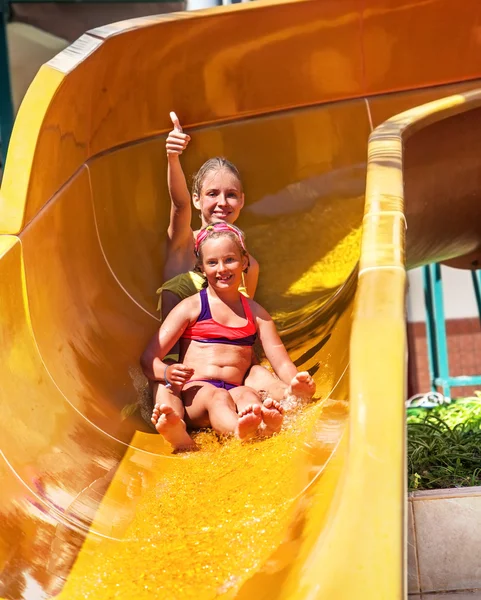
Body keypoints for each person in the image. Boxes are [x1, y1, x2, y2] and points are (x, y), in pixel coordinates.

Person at [143, 112, 287, 422]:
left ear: (242, 201)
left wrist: (261, 376)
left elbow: (244, 327)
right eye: (212, 194)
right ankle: (175, 425)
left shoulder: (247, 265)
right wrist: (173, 157)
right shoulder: (184, 243)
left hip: (230, 375)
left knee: (261, 377)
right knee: (163, 393)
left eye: (231, 195)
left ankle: (283, 406)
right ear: (197, 199)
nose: (222, 202)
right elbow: (179, 205)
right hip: (179, 372)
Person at [141, 223, 316, 452]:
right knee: (217, 397)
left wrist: (296, 380)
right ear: (201, 268)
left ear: (244, 262)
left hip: (235, 388)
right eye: (212, 262)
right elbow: (149, 358)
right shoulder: (191, 307)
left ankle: (276, 410)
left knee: (248, 392)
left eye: (230, 259)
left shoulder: (256, 313)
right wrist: (165, 372)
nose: (221, 268)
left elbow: (280, 361)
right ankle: (237, 431)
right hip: (198, 393)